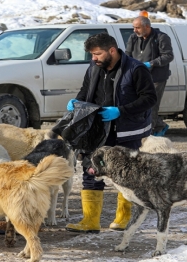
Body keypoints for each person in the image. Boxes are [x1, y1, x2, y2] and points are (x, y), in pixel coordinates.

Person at [64, 33, 157, 233]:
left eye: (97, 54)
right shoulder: (93, 68)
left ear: (112, 51)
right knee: (90, 170)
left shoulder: (136, 69)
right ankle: (90, 221)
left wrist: (120, 111)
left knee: (124, 174)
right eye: (92, 55)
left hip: (126, 131)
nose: (94, 58)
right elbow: (85, 92)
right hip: (96, 130)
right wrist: (76, 103)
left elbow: (149, 98)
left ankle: (123, 218)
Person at [125, 15, 174, 136]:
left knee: (151, 105)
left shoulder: (161, 37)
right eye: (133, 27)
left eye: (138, 28)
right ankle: (160, 125)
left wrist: (151, 64)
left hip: (156, 78)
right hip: (138, 78)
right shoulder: (133, 37)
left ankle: (149, 134)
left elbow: (168, 56)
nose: (135, 30)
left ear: (147, 26)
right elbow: (128, 55)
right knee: (138, 104)